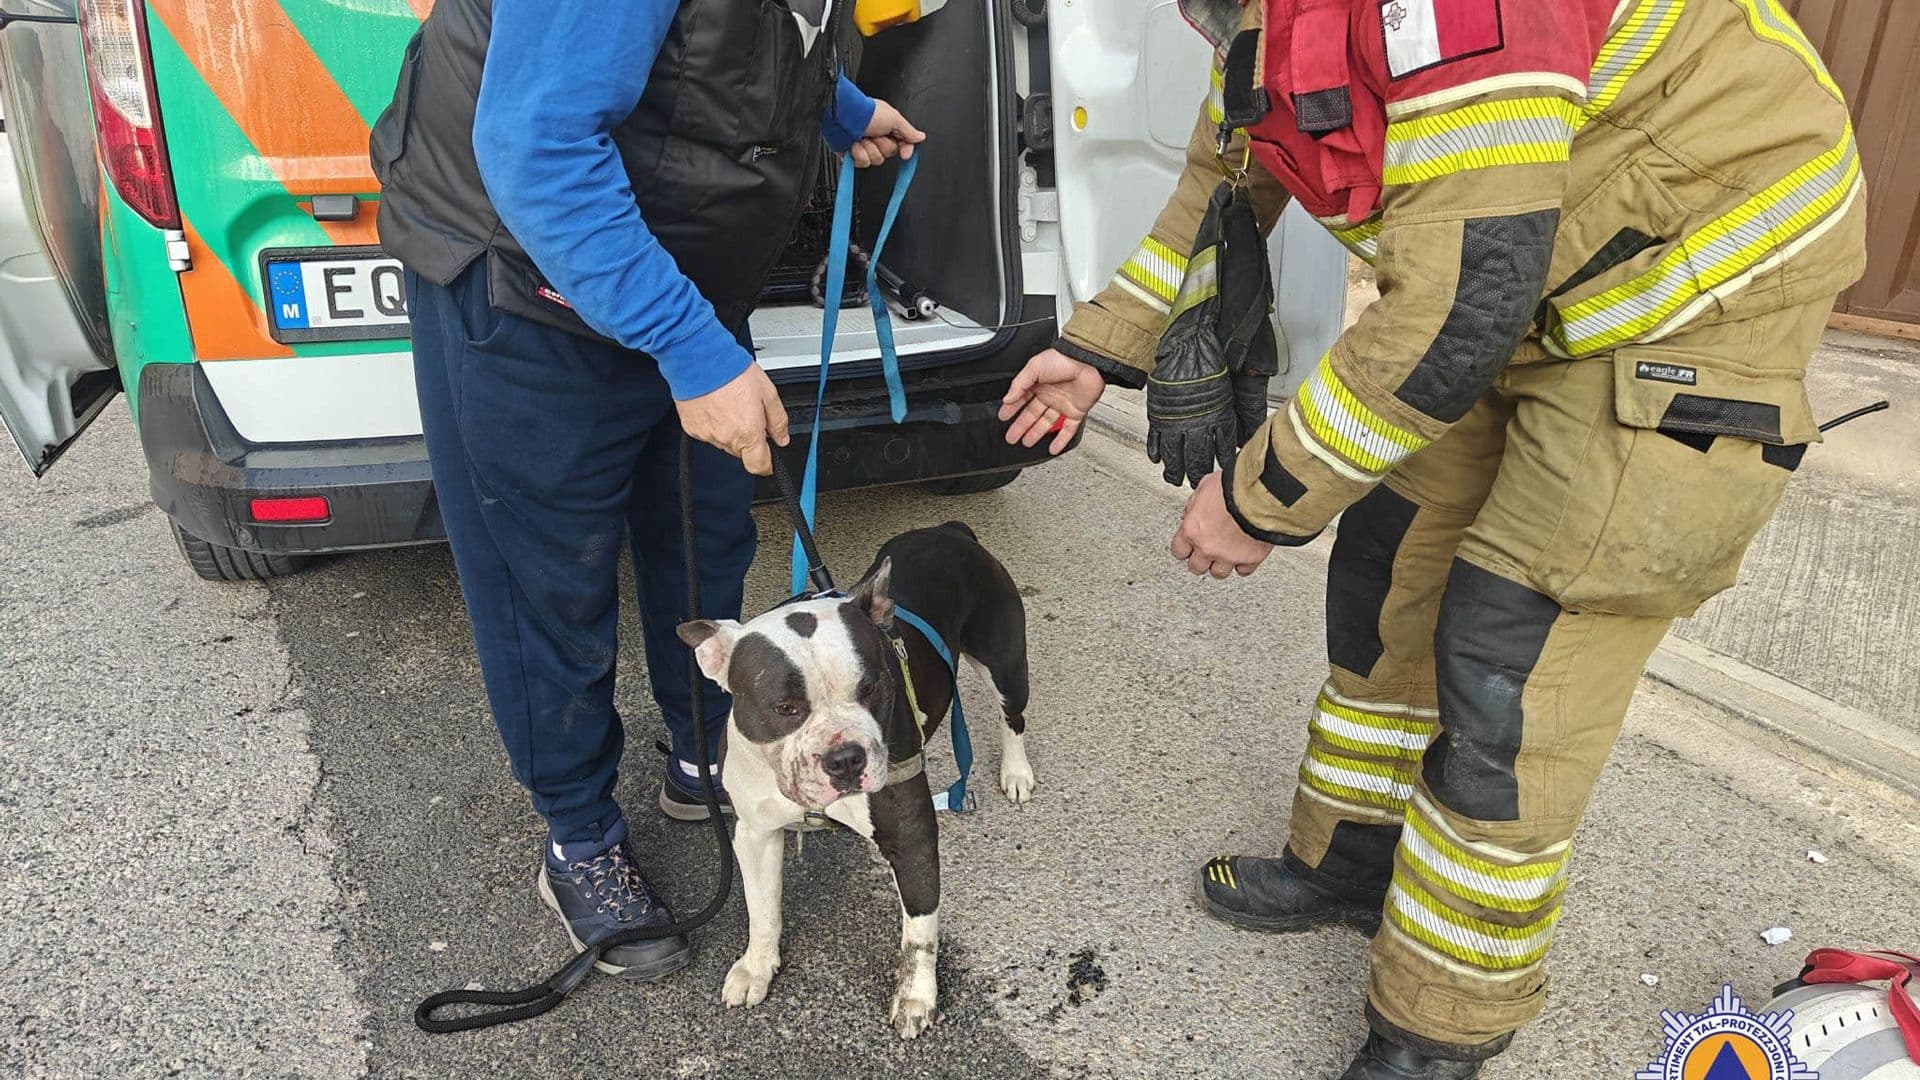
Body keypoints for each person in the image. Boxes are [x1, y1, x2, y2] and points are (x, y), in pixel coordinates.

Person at [1001, 0, 1864, 1074]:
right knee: (1391, 570)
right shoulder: (1268, 23)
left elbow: (1456, 315)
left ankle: (1435, 1030)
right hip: (1523, 283)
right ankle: (1352, 869)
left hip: (1687, 305)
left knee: (1513, 668)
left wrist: (1260, 497)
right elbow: (1222, 187)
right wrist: (1099, 350)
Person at [370, 0, 923, 981]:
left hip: (673, 269)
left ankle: (706, 755)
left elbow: (744, 29)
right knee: (549, 585)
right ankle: (579, 836)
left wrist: (833, 106)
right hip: (523, 267)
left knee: (705, 540)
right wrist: (688, 348)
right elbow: (534, 145)